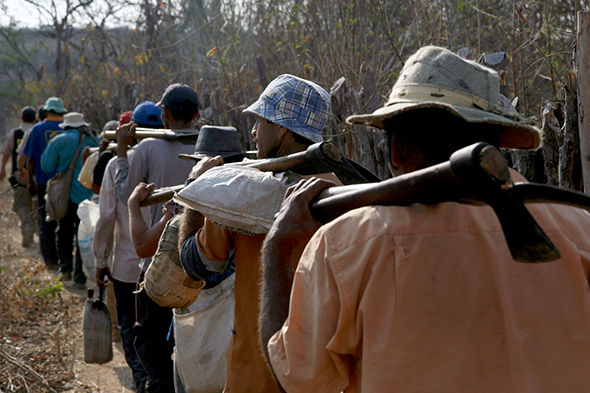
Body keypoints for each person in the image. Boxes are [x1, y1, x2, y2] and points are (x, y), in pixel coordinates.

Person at [258, 46, 590, 393]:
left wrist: (277, 248)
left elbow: (295, 378)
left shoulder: (347, 245)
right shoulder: (579, 229)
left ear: (398, 147)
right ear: (494, 139)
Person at [178, 74, 331, 393]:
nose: (253, 132)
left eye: (260, 122)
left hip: (253, 375)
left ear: (282, 129)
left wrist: (196, 192)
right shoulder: (345, 193)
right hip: (321, 378)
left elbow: (195, 265)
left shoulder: (243, 194)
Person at [115, 87, 198, 392]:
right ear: (196, 115)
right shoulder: (211, 147)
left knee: (150, 341)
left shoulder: (149, 147)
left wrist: (123, 152)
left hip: (158, 259)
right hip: (203, 261)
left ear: (164, 114)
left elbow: (127, 194)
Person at [93, 113, 150, 393]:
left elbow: (105, 218)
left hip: (128, 268)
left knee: (131, 329)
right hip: (173, 268)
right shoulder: (187, 156)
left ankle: (143, 383)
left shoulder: (117, 165)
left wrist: (100, 260)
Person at [41, 112, 98, 288]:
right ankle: (80, 277)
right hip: (87, 197)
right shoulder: (92, 141)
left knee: (64, 231)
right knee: (84, 235)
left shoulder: (59, 140)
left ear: (66, 125)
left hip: (65, 196)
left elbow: (46, 165)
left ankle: (65, 270)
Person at [21, 97, 68, 269]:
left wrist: (29, 182)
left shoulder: (37, 129)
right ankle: (65, 260)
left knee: (45, 221)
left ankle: (50, 261)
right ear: (62, 111)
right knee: (64, 222)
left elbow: (31, 159)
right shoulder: (68, 128)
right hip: (65, 184)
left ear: (47, 111)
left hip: (43, 182)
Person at [0, 106, 38, 247]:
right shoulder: (37, 132)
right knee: (36, 203)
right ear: (35, 119)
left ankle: (27, 229)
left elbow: (6, 153)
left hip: (18, 178)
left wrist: (2, 169)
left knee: (19, 204)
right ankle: (36, 230)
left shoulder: (13, 134)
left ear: (21, 118)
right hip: (36, 177)